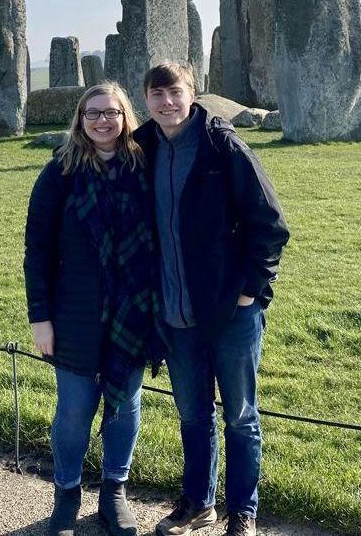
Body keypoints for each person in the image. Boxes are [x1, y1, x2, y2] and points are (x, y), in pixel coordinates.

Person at [133, 63, 289, 536]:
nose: (167, 102)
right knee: (193, 414)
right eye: (157, 94)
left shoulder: (223, 146)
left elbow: (270, 224)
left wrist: (250, 291)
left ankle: (244, 512)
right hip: (175, 309)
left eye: (174, 92)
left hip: (230, 311)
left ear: (192, 93)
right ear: (146, 100)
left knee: (240, 416)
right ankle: (199, 504)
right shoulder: (142, 149)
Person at [24, 82, 159, 536]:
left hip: (133, 309)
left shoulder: (145, 166)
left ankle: (114, 493)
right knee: (75, 411)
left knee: (124, 404)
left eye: (112, 112)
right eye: (93, 113)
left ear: (126, 118)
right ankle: (66, 493)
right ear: (80, 120)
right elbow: (37, 248)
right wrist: (39, 317)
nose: (103, 121)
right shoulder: (60, 171)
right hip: (74, 311)